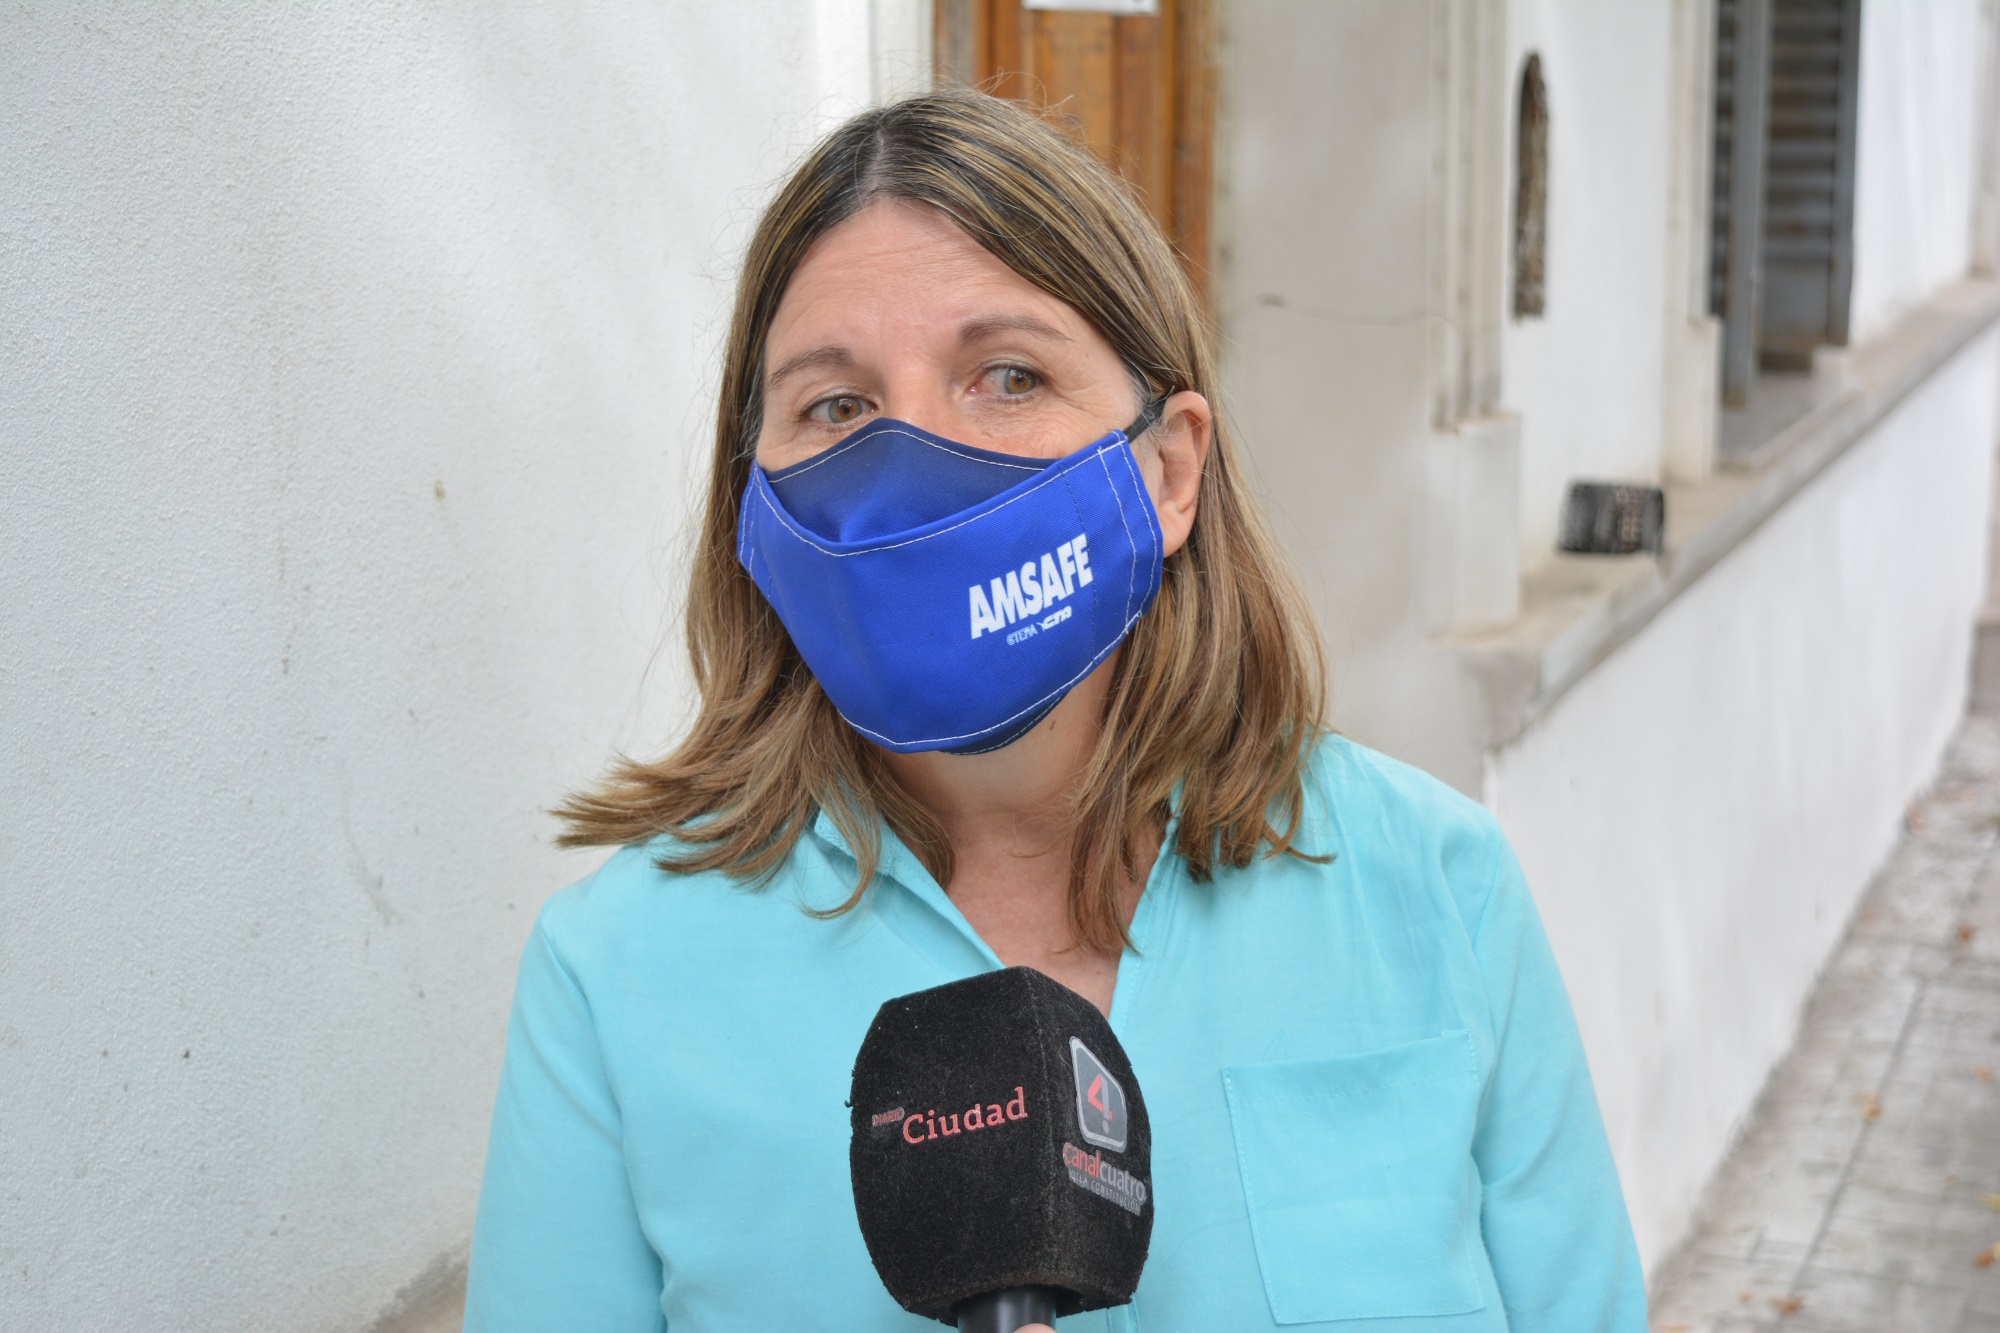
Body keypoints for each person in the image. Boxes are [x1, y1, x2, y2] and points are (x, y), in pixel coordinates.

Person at [464, 89, 1647, 1332]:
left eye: (1008, 377)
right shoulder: (615, 981)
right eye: (835, 405)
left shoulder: (1436, 889)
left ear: (1169, 469)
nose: (909, 467)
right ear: (751, 502)